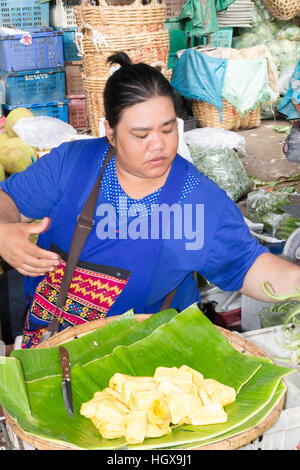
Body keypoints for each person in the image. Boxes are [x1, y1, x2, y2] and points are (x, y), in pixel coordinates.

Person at [0, 52, 300, 349]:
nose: (158, 145)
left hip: (149, 361)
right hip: (53, 345)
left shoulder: (198, 201)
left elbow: (249, 267)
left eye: (168, 129)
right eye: (141, 134)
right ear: (111, 132)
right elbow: (8, 200)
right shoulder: (71, 165)